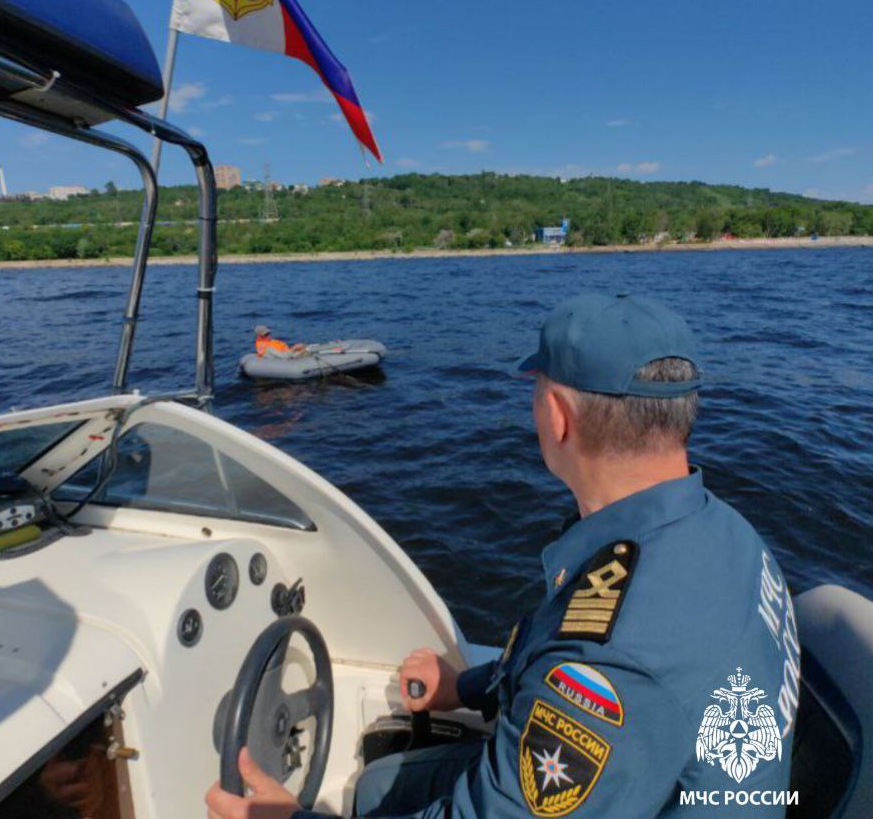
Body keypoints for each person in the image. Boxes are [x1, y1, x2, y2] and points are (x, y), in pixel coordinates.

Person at [207, 293, 799, 819]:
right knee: (376, 785)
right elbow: (561, 644)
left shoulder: (612, 662)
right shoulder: (727, 533)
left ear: (557, 416)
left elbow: (599, 670)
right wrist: (463, 689)